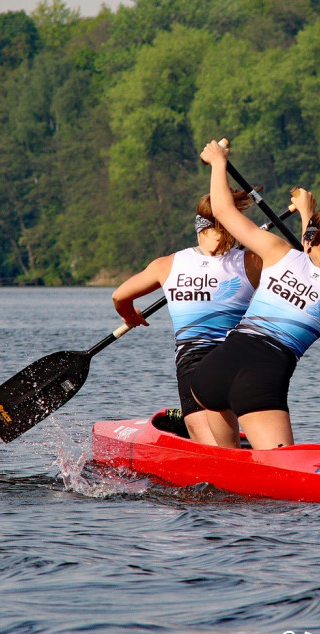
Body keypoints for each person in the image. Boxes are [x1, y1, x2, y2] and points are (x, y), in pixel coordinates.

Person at [193, 140, 320, 450]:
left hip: (214, 371)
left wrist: (219, 162)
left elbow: (223, 210)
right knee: (279, 473)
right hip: (261, 383)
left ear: (307, 239)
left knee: (228, 469)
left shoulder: (277, 252)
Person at [111, 189, 260, 447]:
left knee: (209, 445)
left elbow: (119, 296)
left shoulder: (167, 265)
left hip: (192, 364)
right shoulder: (252, 262)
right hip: (238, 361)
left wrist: (130, 315)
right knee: (226, 444)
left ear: (199, 228)